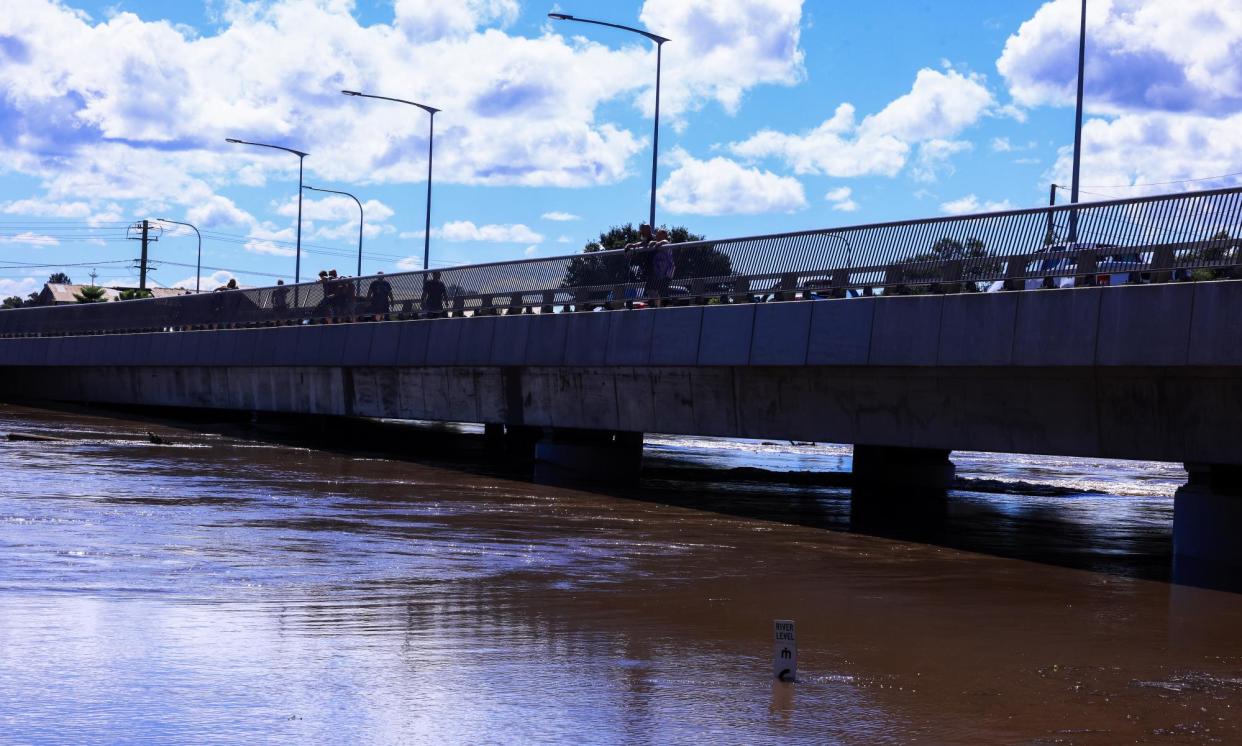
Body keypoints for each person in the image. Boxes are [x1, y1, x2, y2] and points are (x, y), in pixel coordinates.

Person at [646, 229, 675, 306]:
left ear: (664, 235)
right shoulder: (657, 244)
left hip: (667, 273)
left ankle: (666, 304)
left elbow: (665, 242)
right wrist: (654, 243)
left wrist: (657, 243)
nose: (657, 236)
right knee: (651, 289)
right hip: (659, 273)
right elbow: (652, 243)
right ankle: (656, 305)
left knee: (662, 290)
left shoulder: (667, 244)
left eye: (659, 234)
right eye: (657, 234)